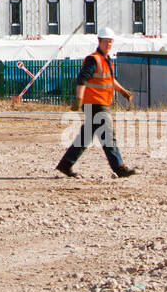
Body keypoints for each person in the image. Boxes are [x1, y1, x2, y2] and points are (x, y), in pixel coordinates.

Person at [56, 26, 137, 178]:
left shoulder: (106, 60)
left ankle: (65, 165)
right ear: (99, 41)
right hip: (95, 104)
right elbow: (82, 79)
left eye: (111, 42)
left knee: (86, 136)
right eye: (106, 42)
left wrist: (123, 91)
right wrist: (79, 99)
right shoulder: (94, 59)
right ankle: (119, 167)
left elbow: (109, 79)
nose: (108, 45)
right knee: (108, 134)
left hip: (100, 103)